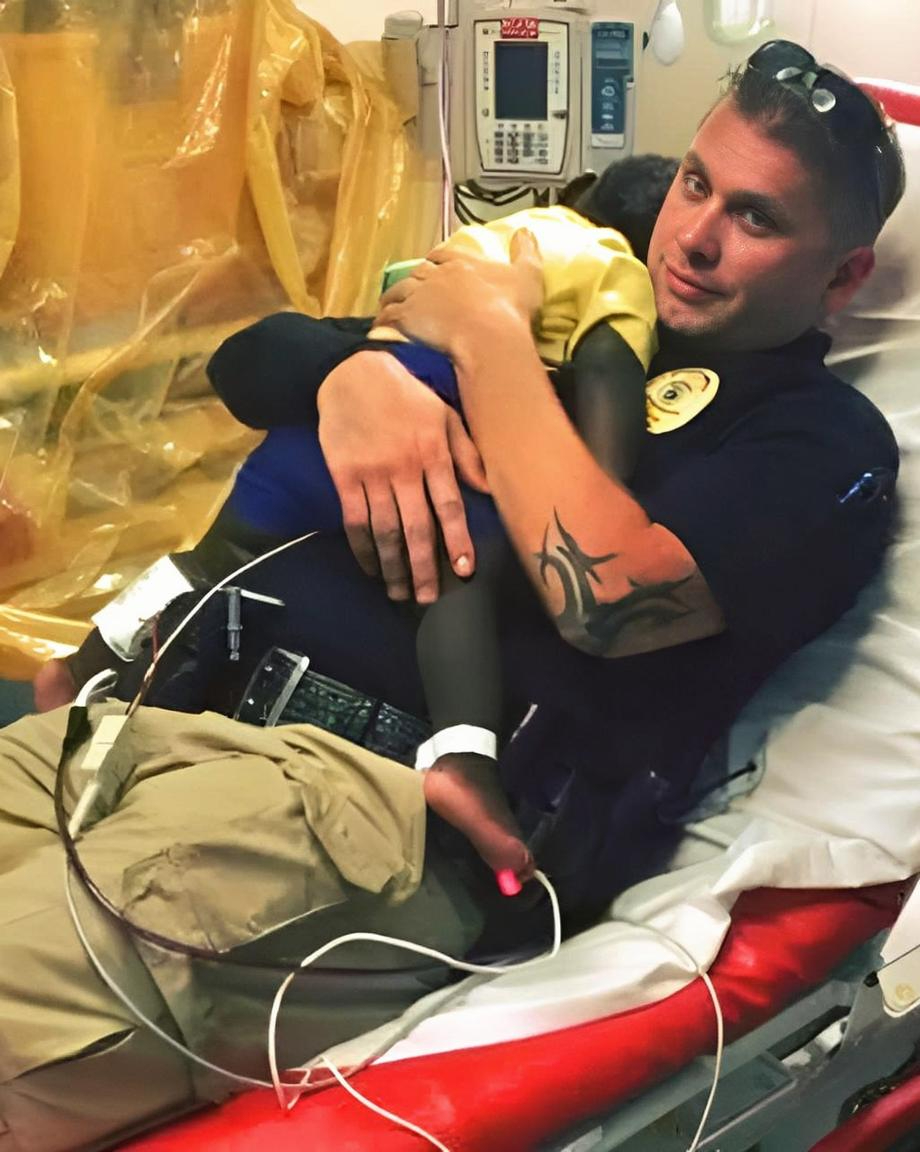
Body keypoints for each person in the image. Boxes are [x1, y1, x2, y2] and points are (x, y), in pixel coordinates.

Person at [0, 40, 906, 1150]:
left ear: (843, 276)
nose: (694, 237)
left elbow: (608, 598)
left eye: (756, 220)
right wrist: (359, 378)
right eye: (693, 184)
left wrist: (483, 339)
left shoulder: (817, 448)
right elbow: (251, 361)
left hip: (373, 815)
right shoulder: (575, 302)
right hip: (175, 716)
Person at [33, 155, 679, 890]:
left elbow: (396, 300)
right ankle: (464, 761)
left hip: (309, 761)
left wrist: (382, 356)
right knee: (459, 581)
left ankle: (86, 664)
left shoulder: (495, 242)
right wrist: (353, 375)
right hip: (221, 709)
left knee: (213, 558)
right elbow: (248, 359)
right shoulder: (610, 274)